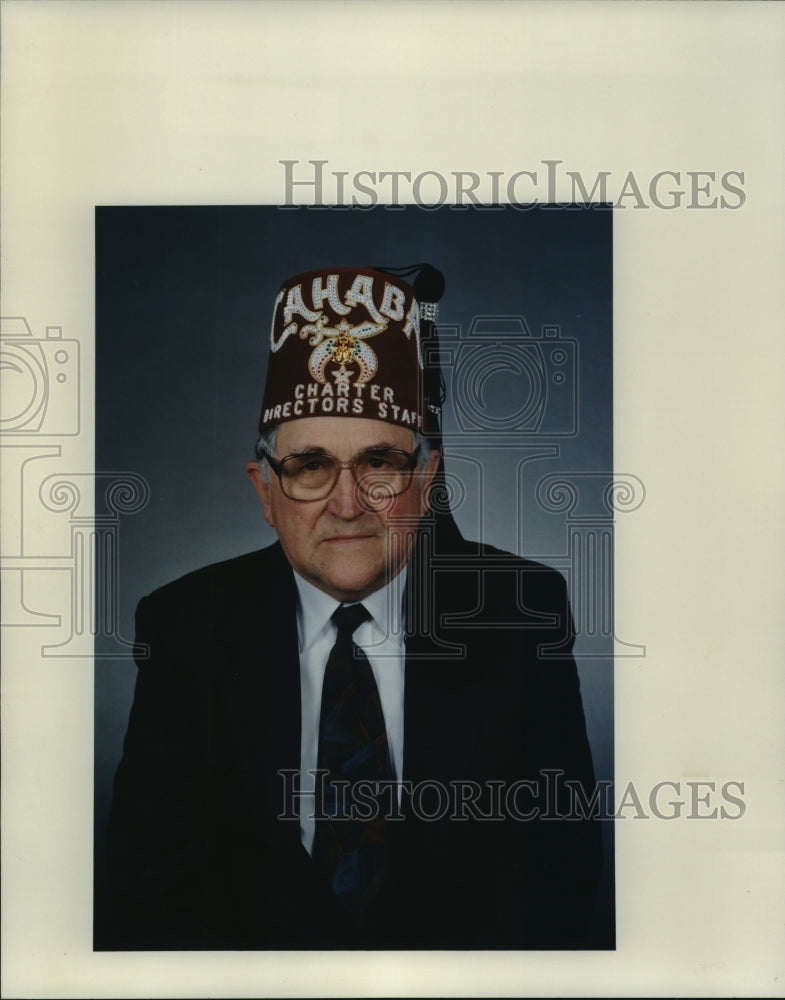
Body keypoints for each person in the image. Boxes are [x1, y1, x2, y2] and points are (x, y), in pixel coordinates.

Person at [105, 264, 602, 950]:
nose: (345, 504)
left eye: (379, 464)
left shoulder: (520, 614)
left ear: (425, 479)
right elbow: (148, 892)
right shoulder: (186, 626)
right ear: (263, 490)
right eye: (309, 466)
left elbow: (559, 885)